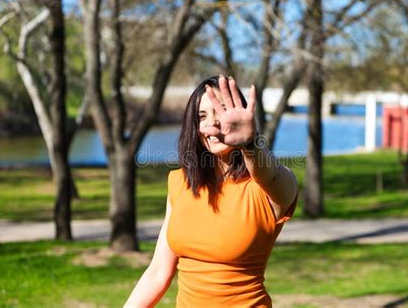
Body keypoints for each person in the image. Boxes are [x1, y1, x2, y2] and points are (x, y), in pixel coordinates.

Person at [124, 75, 298, 307]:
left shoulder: (265, 188)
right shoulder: (180, 182)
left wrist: (250, 144)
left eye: (222, 112)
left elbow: (272, 175)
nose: (211, 124)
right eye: (201, 116)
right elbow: (158, 272)